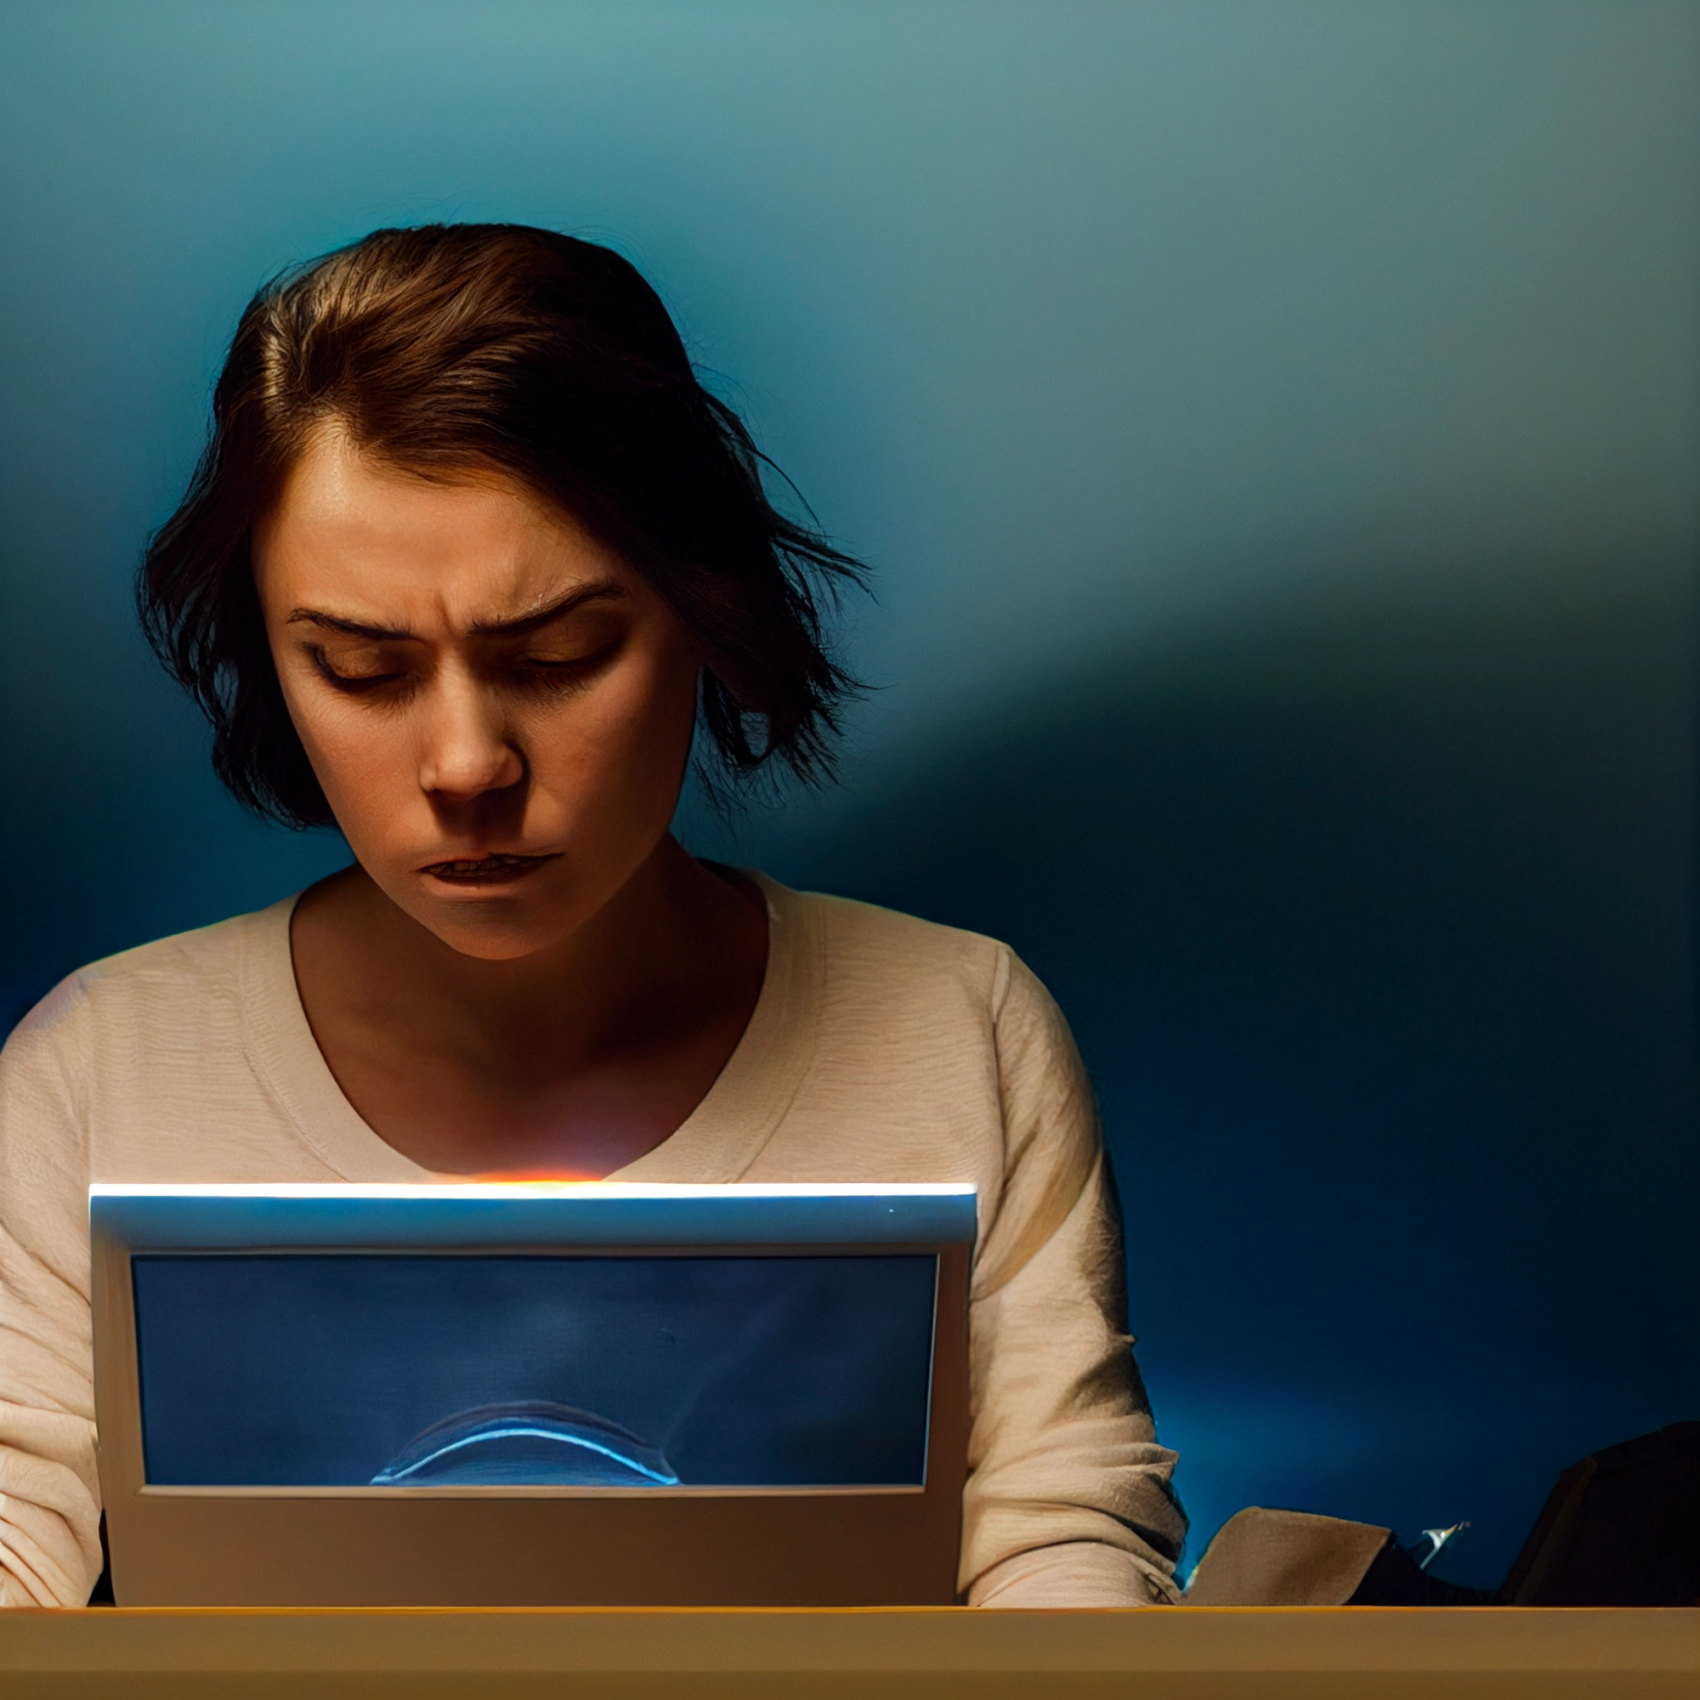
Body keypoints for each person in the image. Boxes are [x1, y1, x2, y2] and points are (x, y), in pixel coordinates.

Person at [0, 224, 1184, 1608]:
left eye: (558, 657)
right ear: (269, 659)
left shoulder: (956, 1025)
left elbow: (1063, 1535)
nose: (465, 767)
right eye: (361, 670)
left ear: (702, 612)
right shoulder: (100, 1071)